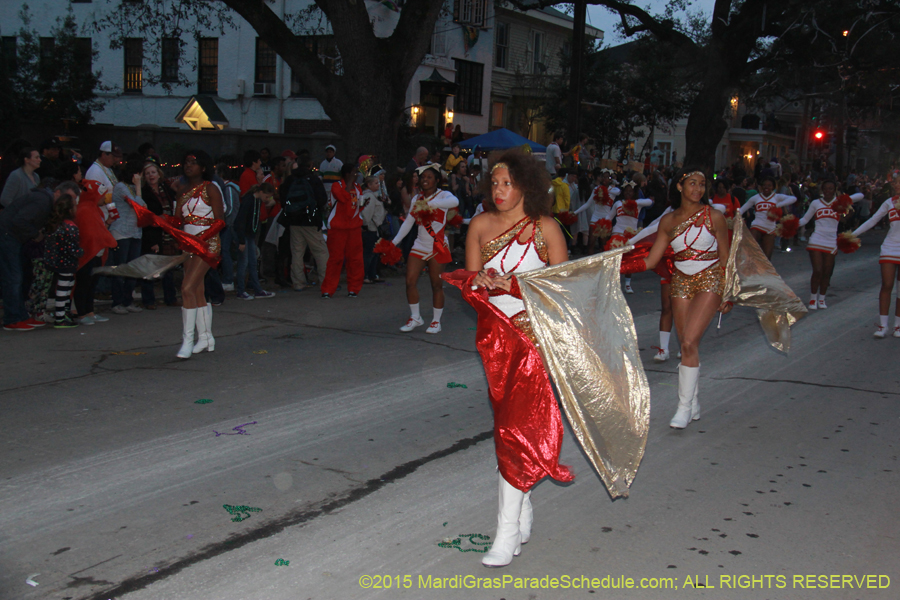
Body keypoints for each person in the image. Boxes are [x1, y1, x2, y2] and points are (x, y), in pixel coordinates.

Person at [458, 149, 571, 567]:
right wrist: (483, 281)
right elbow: (470, 288)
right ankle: (522, 505)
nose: (500, 191)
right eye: (494, 183)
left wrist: (519, 285)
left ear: (525, 185)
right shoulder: (481, 225)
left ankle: (504, 533)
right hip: (494, 340)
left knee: (511, 431)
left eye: (508, 183)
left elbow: (565, 292)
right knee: (507, 427)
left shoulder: (546, 228)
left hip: (536, 341)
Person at [640, 168, 732, 429]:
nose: (698, 189)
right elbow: (651, 261)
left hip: (710, 278)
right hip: (680, 281)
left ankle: (682, 407)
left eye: (702, 184)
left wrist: (728, 291)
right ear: (680, 187)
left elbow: (725, 257)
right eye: (692, 183)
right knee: (686, 346)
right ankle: (692, 402)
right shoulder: (668, 221)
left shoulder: (715, 216)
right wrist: (618, 261)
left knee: (690, 340)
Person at [389, 164, 458, 332]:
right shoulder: (416, 199)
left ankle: (436, 321)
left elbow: (454, 201)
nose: (425, 180)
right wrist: (393, 243)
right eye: (422, 177)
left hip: (437, 245)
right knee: (410, 281)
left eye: (429, 177)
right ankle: (415, 317)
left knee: (436, 284)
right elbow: (408, 223)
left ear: (436, 180)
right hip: (420, 244)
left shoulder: (444, 195)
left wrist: (430, 203)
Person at [0, 182, 76, 330]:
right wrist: (36, 234)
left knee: (18, 277)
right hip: (8, 235)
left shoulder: (44, 201)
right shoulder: (42, 201)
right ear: (58, 193)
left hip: (12, 236)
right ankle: (12, 318)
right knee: (13, 278)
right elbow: (19, 220)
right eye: (69, 197)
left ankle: (20, 316)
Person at [174, 150, 226, 358]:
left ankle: (187, 341)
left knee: (186, 288)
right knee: (196, 290)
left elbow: (221, 221)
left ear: (203, 167)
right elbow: (178, 221)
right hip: (189, 244)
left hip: (208, 245)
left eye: (194, 163)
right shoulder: (181, 190)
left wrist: (202, 240)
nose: (189, 166)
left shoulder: (211, 188)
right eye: (186, 162)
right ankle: (205, 337)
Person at [797, 180, 864, 310]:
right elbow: (805, 219)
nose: (828, 191)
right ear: (822, 190)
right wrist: (792, 224)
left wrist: (845, 201)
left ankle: (822, 298)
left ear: (834, 190)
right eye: (825, 188)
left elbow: (860, 196)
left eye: (831, 188)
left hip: (831, 240)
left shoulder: (839, 202)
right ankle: (812, 298)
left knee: (827, 272)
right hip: (816, 239)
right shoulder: (816, 203)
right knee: (817, 270)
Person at [852, 174, 900, 337]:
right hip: (890, 247)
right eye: (897, 183)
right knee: (887, 285)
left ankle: (898, 326)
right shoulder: (889, 202)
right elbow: (873, 220)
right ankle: (883, 326)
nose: (898, 185)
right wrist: (854, 234)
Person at [280, 155, 330, 289]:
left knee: (297, 252)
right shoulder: (313, 180)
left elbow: (282, 198)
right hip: (311, 220)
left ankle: (298, 283)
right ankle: (326, 281)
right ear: (310, 165)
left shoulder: (290, 179)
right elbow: (322, 200)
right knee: (320, 252)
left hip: (293, 220)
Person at [108, 154, 147, 315]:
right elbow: (137, 205)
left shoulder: (130, 188)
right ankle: (117, 301)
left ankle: (127, 300)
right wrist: (138, 186)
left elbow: (143, 206)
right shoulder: (121, 187)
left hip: (135, 232)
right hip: (121, 232)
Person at [321, 163, 364, 298]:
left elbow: (356, 205)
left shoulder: (358, 188)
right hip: (338, 229)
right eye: (354, 172)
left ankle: (354, 288)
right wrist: (349, 183)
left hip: (354, 228)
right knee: (335, 259)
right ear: (347, 174)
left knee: (355, 259)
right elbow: (343, 198)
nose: (356, 175)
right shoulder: (336, 186)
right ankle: (328, 289)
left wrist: (363, 204)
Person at [140, 159, 179, 308]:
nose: (151, 175)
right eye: (148, 173)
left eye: (153, 172)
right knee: (151, 268)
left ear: (159, 173)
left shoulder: (166, 189)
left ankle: (171, 297)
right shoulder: (144, 193)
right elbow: (145, 217)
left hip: (168, 232)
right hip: (153, 233)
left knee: (168, 267)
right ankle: (149, 300)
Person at [43, 191, 83, 328]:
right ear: (70, 210)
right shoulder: (71, 227)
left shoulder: (54, 225)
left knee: (64, 287)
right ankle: (61, 316)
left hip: (56, 261)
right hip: (67, 263)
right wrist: (80, 252)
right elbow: (73, 248)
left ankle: (63, 313)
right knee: (63, 289)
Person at [233, 182, 277, 301]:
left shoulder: (256, 200)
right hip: (245, 235)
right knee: (244, 262)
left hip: (249, 235)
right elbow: (240, 221)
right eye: (267, 196)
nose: (267, 200)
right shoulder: (249, 201)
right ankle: (241, 290)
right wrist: (241, 240)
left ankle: (257, 289)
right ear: (261, 192)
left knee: (252, 262)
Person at [607, 181, 653, 293]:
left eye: (630, 191)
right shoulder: (618, 203)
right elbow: (609, 217)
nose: (628, 193)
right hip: (617, 233)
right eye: (626, 191)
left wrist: (635, 201)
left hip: (631, 235)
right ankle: (614, 283)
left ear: (634, 192)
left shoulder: (638, 204)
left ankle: (627, 284)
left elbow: (650, 202)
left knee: (629, 259)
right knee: (615, 259)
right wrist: (601, 225)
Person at [738, 175, 796, 259]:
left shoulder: (776, 197)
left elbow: (793, 199)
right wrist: (734, 216)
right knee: (751, 247)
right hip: (757, 225)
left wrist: (778, 205)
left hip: (770, 228)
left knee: (767, 258)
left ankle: (762, 270)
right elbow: (742, 209)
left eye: (769, 185)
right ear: (761, 186)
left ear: (773, 187)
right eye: (764, 185)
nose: (766, 187)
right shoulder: (755, 198)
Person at [360, 175, 387, 283]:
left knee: (375, 252)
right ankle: (365, 275)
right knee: (369, 253)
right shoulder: (369, 197)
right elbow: (366, 214)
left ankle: (372, 274)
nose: (378, 185)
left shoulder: (375, 196)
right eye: (375, 183)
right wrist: (366, 225)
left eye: (378, 183)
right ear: (369, 185)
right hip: (371, 228)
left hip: (376, 228)